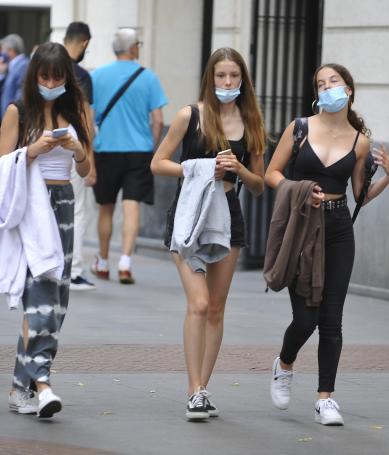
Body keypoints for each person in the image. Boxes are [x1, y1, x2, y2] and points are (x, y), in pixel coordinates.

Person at [265, 63, 389, 425]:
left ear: (349, 89)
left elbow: (360, 195)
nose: (327, 89)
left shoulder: (360, 141)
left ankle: (326, 397)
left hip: (338, 228)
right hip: (302, 226)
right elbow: (272, 174)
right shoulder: (300, 128)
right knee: (304, 320)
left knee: (332, 320)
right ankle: (285, 363)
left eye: (333, 82)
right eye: (321, 85)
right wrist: (301, 190)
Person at [151, 47, 266, 420]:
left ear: (243, 80)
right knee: (198, 303)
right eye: (221, 76)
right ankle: (193, 388)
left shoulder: (251, 122)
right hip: (188, 214)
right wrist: (197, 168)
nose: (228, 83)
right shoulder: (191, 115)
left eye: (234, 76)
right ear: (210, 78)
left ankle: (202, 389)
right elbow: (158, 163)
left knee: (216, 308)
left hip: (228, 213)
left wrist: (239, 170)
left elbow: (260, 184)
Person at [0, 42, 91, 418]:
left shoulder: (75, 111)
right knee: (40, 304)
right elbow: (3, 165)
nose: (51, 82)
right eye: (44, 75)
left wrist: (77, 149)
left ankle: (21, 388)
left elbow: (85, 170)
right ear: (34, 76)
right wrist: (32, 150)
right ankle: (44, 383)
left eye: (58, 76)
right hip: (32, 211)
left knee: (56, 304)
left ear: (67, 77)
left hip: (63, 205)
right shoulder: (18, 112)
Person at [91, 28, 167, 284]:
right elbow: (158, 120)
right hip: (139, 151)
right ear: (133, 47)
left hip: (106, 149)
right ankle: (125, 262)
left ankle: (102, 261)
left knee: (106, 207)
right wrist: (151, 146)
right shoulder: (148, 78)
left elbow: (89, 118)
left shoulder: (97, 76)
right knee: (132, 205)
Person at [63, 21, 96, 291]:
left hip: (43, 146)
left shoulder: (44, 65)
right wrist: (90, 161)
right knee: (78, 210)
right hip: (73, 149)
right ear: (84, 42)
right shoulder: (81, 75)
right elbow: (86, 121)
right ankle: (72, 270)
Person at [0, 33, 29, 118]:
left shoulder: (23, 65)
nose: (0, 53)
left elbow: (21, 95)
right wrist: (1, 73)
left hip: (15, 117)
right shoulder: (11, 65)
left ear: (10, 50)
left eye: (2, 50)